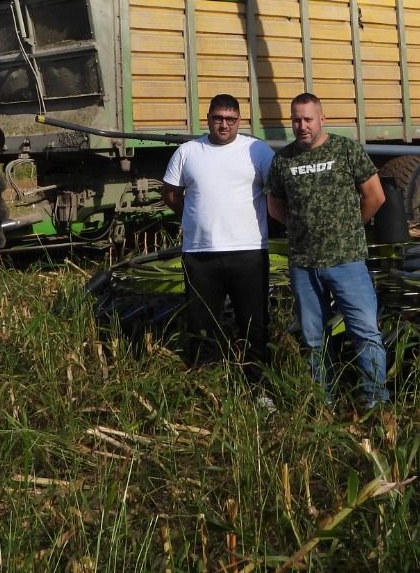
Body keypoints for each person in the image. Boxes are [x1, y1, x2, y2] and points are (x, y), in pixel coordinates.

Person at [265, 92, 389, 409]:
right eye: (296, 119)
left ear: (322, 119)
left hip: (347, 260)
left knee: (365, 331)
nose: (301, 125)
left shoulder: (346, 150)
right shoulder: (284, 160)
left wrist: (349, 227)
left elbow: (375, 196)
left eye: (308, 119)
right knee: (312, 338)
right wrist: (300, 229)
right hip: (304, 264)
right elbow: (275, 206)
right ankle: (323, 401)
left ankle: (374, 400)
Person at [161, 94, 278, 383]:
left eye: (230, 119)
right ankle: (206, 383)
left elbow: (275, 192)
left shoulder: (258, 151)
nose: (223, 125)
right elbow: (171, 194)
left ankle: (257, 384)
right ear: (208, 119)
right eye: (218, 119)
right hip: (201, 255)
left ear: (239, 120)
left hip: (248, 252)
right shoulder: (188, 152)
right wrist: (195, 218)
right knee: (201, 324)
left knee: (254, 324)